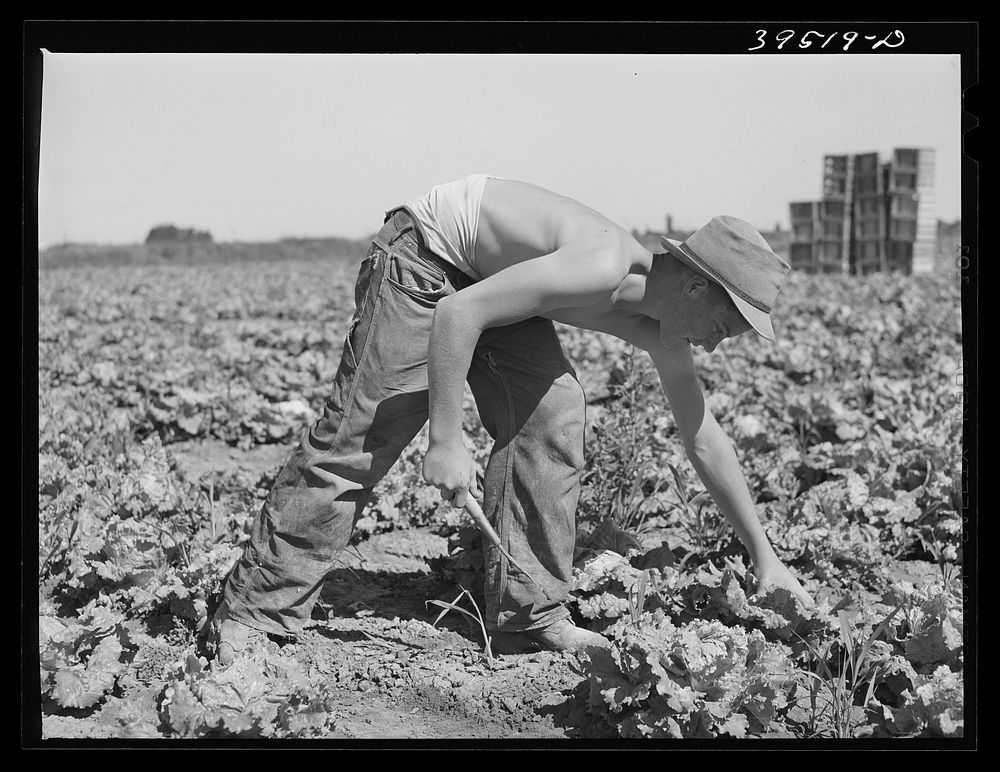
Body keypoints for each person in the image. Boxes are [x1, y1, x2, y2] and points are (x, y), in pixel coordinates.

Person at [212, 174, 814, 665]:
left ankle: (529, 616)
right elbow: (457, 314)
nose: (713, 346)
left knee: (553, 413)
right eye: (722, 328)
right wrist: (447, 441)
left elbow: (702, 436)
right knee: (364, 437)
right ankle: (254, 613)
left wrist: (765, 556)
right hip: (427, 258)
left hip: (481, 284)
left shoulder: (659, 328)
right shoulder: (603, 264)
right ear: (695, 289)